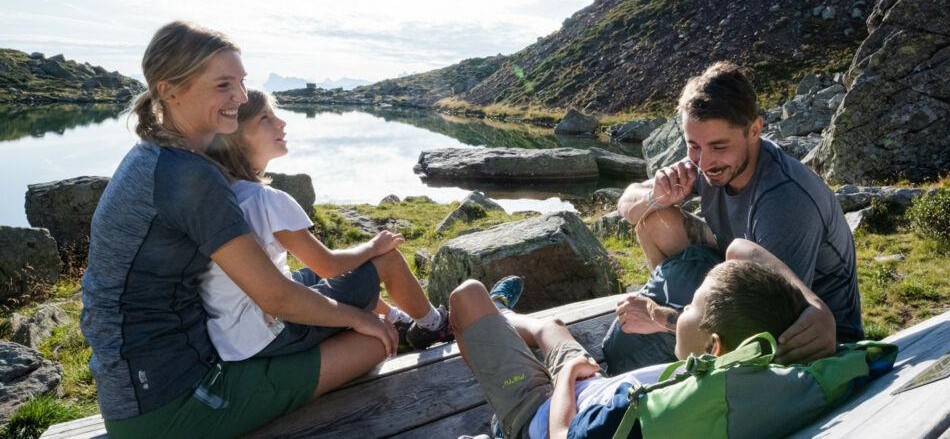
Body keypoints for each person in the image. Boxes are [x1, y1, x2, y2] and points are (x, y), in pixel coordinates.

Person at [81, 21, 397, 439]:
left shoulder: (153, 155)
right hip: (168, 404)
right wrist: (360, 318)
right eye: (223, 85)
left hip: (136, 385)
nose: (241, 98)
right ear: (168, 90)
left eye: (242, 83)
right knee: (378, 340)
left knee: (344, 318)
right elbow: (275, 296)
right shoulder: (188, 176)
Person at [602, 61, 863, 374]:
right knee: (655, 218)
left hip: (803, 339)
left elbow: (766, 323)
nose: (704, 161)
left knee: (640, 347)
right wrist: (654, 195)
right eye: (693, 145)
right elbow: (625, 206)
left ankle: (685, 332)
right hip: (745, 280)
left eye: (718, 146)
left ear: (755, 130)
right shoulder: (708, 161)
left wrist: (661, 318)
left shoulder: (784, 202)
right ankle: (686, 316)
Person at [202, 88, 453, 359]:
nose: (281, 123)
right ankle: (434, 326)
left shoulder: (226, 192)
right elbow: (328, 265)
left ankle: (397, 319)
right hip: (269, 331)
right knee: (387, 259)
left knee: (337, 268)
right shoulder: (266, 199)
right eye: (265, 118)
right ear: (235, 138)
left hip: (233, 329)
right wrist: (374, 246)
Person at [450, 259, 809, 439]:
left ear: (714, 346)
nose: (680, 313)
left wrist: (565, 379)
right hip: (592, 387)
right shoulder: (727, 380)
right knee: (551, 327)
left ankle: (502, 420)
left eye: (690, 309)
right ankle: (502, 312)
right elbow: (743, 252)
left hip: (536, 411)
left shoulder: (676, 405)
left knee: (466, 296)